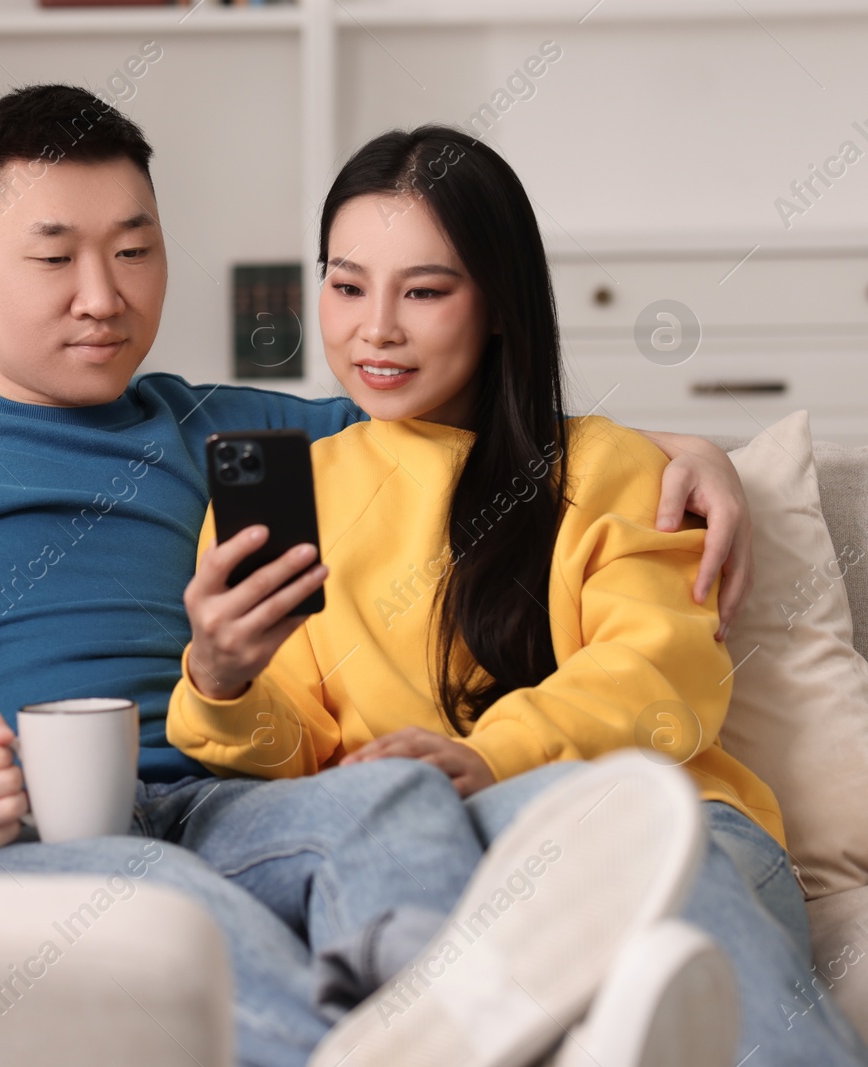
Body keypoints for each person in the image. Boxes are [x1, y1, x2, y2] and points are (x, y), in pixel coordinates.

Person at [0, 85, 758, 1067]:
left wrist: (691, 453)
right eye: (55, 257)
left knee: (392, 801)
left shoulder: (222, 431)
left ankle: (458, 1020)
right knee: (167, 909)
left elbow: (456, 412)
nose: (104, 296)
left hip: (215, 804)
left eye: (135, 250)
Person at [168, 124, 868, 1065]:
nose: (375, 327)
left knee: (679, 902)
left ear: (497, 302)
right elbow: (300, 757)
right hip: (448, 850)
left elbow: (657, 677)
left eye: (424, 290)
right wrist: (220, 679)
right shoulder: (295, 493)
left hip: (666, 818)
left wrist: (491, 757)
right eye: (345, 285)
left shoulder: (618, 467)